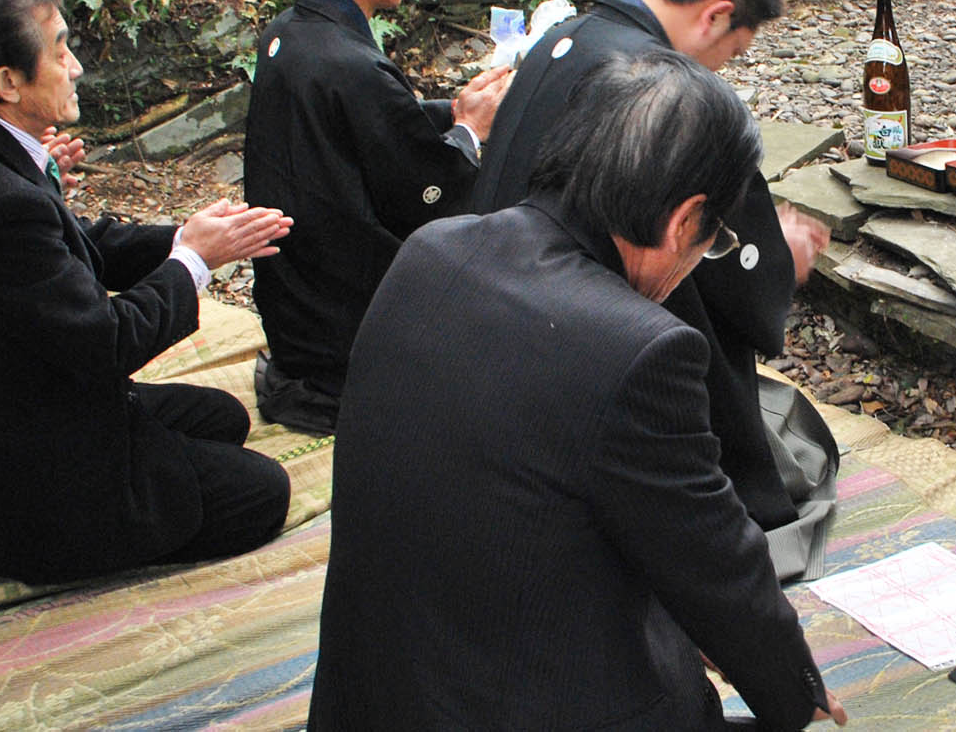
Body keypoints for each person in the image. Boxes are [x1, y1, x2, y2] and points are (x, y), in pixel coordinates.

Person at [310, 51, 844, 731]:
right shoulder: (640, 349)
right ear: (684, 222)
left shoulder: (428, 250)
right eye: (710, 242)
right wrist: (794, 694)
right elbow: (717, 565)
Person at [0, 0, 295, 584]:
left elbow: (78, 245)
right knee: (264, 493)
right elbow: (106, 340)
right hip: (28, 484)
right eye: (60, 51)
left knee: (224, 418)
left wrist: (185, 238)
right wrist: (195, 261)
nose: (76, 66)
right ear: (8, 82)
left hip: (21, 404)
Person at [469, 0, 836, 576]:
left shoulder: (563, 36)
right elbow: (711, 249)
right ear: (717, 15)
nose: (726, 67)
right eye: (736, 48)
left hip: (489, 311)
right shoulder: (658, 84)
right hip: (571, 345)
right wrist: (777, 256)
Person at [243, 0, 509, 434]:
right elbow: (422, 192)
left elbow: (368, 126)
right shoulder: (350, 64)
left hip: (296, 300)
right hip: (344, 322)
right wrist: (468, 134)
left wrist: (453, 110)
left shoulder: (288, 31)